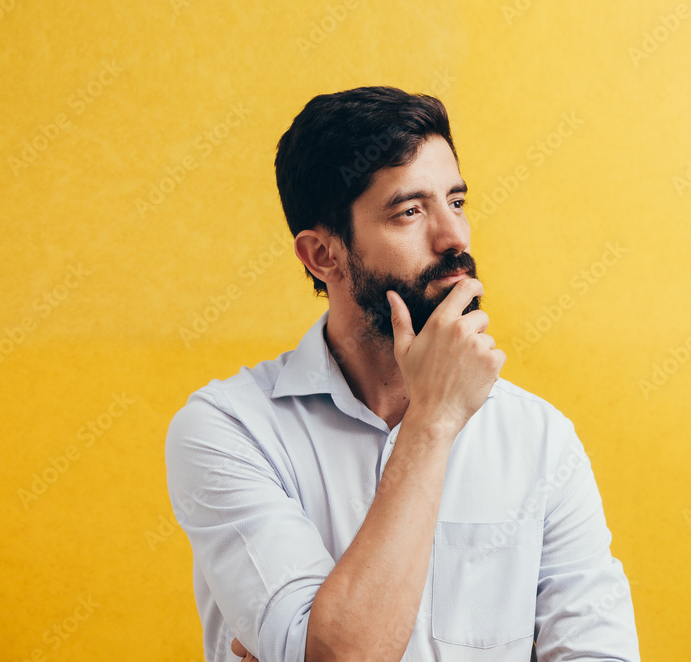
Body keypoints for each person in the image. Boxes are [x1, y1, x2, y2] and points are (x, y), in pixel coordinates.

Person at [165, 86, 640, 661]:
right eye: (409, 211)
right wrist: (433, 423)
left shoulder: (538, 439)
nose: (454, 237)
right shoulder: (230, 431)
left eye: (457, 202)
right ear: (322, 255)